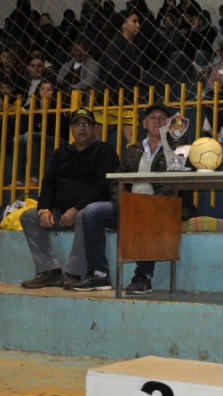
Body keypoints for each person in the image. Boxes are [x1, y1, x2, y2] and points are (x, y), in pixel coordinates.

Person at [72, 103, 195, 294]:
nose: (157, 121)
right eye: (152, 117)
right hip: (130, 206)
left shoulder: (177, 150)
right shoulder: (133, 149)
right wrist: (124, 204)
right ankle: (99, 274)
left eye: (162, 118)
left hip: (160, 208)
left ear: (169, 125)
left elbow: (176, 186)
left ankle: (142, 276)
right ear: (144, 124)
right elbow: (116, 182)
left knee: (147, 212)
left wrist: (145, 205)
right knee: (91, 212)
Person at [18, 108, 121, 289]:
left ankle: (73, 274)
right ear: (72, 128)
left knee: (85, 215)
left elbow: (103, 186)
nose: (83, 128)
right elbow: (49, 183)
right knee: (28, 216)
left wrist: (76, 208)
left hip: (84, 213)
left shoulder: (104, 151)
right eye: (78, 124)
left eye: (87, 124)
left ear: (95, 128)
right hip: (60, 212)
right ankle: (49, 271)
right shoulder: (62, 152)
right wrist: (44, 209)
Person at [99, 9, 143, 144]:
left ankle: (134, 163)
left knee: (131, 136)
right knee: (99, 137)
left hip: (127, 97)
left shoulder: (131, 46)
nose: (138, 25)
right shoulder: (116, 42)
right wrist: (132, 87)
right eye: (134, 21)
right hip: (112, 96)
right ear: (123, 24)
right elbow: (114, 69)